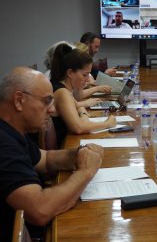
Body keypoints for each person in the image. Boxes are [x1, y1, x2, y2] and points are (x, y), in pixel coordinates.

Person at [0, 67, 104, 242]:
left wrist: (78, 154)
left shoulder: (13, 132)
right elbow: (39, 210)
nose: (52, 109)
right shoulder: (4, 145)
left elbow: (45, 159)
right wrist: (85, 171)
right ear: (19, 100)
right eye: (47, 101)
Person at [50, 43, 116, 148]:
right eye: (84, 75)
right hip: (62, 150)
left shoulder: (63, 88)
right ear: (70, 73)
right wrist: (108, 123)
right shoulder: (62, 92)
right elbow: (78, 128)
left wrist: (82, 112)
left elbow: (78, 105)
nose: (88, 79)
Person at [44, 41, 111, 108]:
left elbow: (75, 100)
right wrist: (83, 107)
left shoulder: (62, 80)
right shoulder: (56, 82)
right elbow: (74, 101)